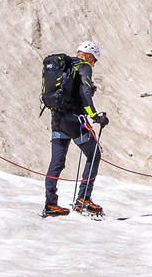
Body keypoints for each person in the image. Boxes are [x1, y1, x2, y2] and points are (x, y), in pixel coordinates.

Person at [44, 39, 108, 218]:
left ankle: (50, 204)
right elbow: (85, 93)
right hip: (74, 121)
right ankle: (84, 199)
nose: (93, 64)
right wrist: (95, 116)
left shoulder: (63, 66)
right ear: (88, 56)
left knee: (56, 162)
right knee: (94, 153)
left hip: (57, 118)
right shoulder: (83, 67)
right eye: (94, 60)